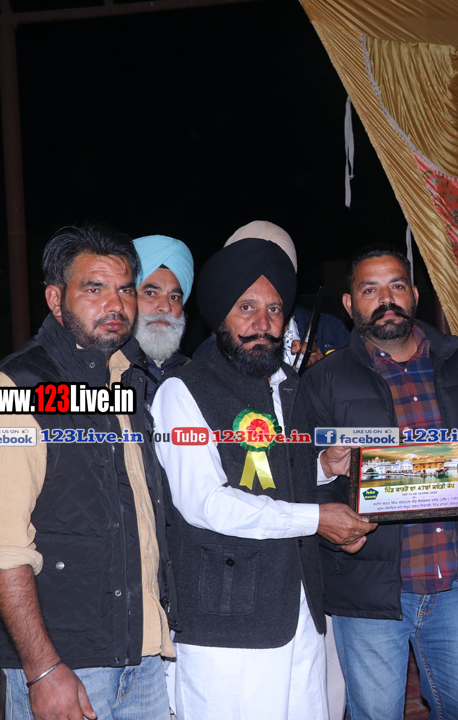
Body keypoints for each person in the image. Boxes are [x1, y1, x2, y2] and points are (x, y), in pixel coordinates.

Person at [0, 223, 175, 720]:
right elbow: (1, 548)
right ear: (56, 300)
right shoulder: (13, 391)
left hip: (140, 657)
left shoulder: (125, 384)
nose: (115, 304)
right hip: (66, 666)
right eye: (94, 289)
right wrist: (42, 669)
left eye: (125, 290)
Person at [151, 239, 375, 720]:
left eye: (274, 309)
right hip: (226, 628)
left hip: (300, 613)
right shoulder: (182, 391)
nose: (263, 322)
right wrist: (317, 519)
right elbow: (206, 503)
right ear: (220, 316)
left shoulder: (288, 386)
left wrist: (325, 466)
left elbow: (267, 475)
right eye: (246, 307)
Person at [304, 249, 458, 720]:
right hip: (370, 589)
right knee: (376, 713)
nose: (386, 299)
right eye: (370, 290)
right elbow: (297, 475)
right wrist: (327, 479)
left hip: (453, 581)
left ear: (415, 294)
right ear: (350, 304)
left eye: (397, 286)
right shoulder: (322, 379)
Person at [132, 235, 194, 402]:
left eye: (174, 297)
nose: (166, 307)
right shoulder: (100, 373)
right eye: (150, 293)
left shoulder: (197, 375)